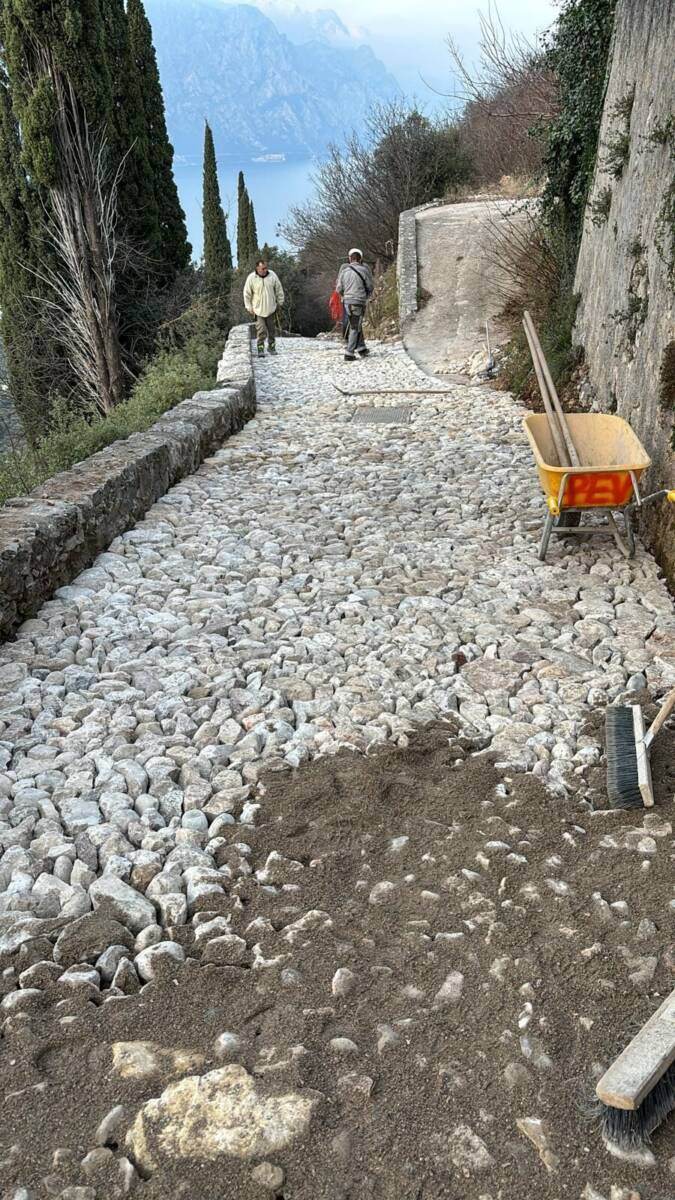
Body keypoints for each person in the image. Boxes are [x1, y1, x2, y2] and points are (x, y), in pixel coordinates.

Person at [336, 248, 373, 362]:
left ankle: (361, 348)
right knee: (355, 326)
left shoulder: (344, 271)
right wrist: (366, 295)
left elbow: (338, 288)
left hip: (347, 302)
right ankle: (349, 352)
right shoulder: (364, 270)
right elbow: (370, 286)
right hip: (358, 301)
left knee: (355, 323)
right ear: (360, 259)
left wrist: (345, 295)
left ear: (349, 259)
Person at [243, 258, 285, 357]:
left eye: (266, 268)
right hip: (258, 310)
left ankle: (271, 347)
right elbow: (247, 293)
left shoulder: (272, 275)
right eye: (262, 268)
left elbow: (279, 289)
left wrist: (280, 302)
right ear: (257, 268)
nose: (265, 270)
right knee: (261, 330)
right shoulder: (251, 278)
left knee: (271, 330)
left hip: (271, 309)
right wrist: (249, 307)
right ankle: (260, 349)